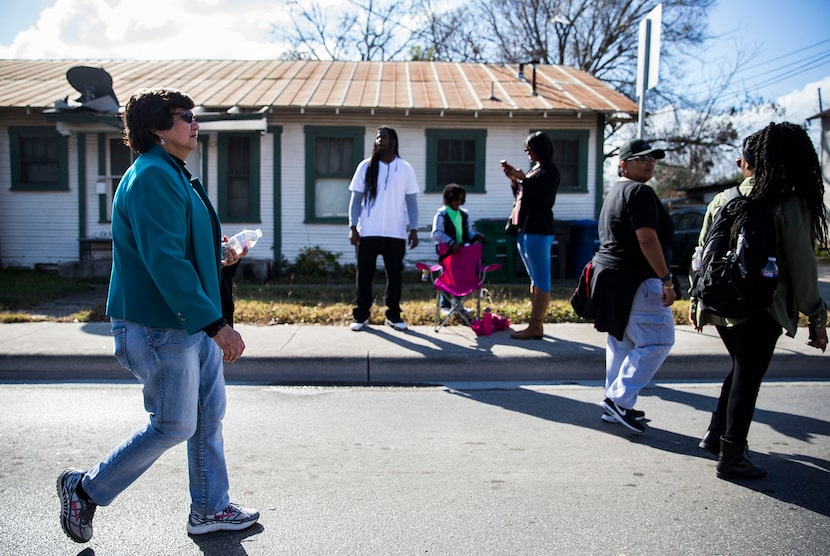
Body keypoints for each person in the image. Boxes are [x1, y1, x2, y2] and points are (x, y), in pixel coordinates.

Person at [57, 88, 259, 544]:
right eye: (185, 116)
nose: (195, 123)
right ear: (157, 129)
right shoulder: (150, 175)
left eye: (194, 114)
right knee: (174, 424)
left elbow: (177, 248)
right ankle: (85, 488)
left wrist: (220, 255)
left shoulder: (172, 172)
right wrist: (215, 325)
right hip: (158, 325)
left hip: (185, 321)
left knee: (208, 414)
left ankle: (210, 509)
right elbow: (163, 260)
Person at [690, 122, 828, 480]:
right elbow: (802, 266)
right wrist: (815, 315)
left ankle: (715, 435)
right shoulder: (790, 203)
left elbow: (701, 253)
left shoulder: (725, 197)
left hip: (719, 301)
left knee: (740, 369)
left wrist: (695, 300)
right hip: (762, 306)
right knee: (748, 378)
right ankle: (732, 456)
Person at [590, 138, 676, 433]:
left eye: (652, 158)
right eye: (641, 159)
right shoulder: (639, 192)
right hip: (637, 278)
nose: (649, 162)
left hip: (612, 278)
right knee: (658, 340)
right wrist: (666, 278)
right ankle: (619, 399)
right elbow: (647, 239)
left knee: (621, 342)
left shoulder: (616, 192)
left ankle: (613, 404)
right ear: (623, 164)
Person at [348, 126, 419, 331]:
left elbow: (411, 202)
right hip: (368, 231)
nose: (380, 140)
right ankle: (361, 315)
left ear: (393, 141)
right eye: (378, 137)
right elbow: (356, 200)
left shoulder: (405, 168)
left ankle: (393, 315)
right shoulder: (365, 167)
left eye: (384, 137)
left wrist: (413, 229)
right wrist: (353, 227)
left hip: (395, 232)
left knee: (395, 275)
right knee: (364, 276)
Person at [500, 131, 561, 339]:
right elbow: (523, 197)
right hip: (525, 228)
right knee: (534, 277)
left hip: (539, 229)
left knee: (542, 278)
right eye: (525, 150)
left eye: (530, 149)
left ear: (540, 149)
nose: (528, 153)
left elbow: (542, 200)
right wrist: (514, 180)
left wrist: (524, 179)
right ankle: (534, 322)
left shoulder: (550, 171)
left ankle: (536, 325)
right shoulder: (535, 170)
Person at [431, 183, 483, 315]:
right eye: (456, 199)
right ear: (449, 198)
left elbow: (467, 232)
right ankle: (445, 306)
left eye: (461, 200)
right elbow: (436, 233)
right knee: (447, 276)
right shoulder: (442, 215)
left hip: (462, 251)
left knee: (461, 276)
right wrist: (451, 242)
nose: (458, 202)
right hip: (448, 251)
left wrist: (475, 236)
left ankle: (458, 305)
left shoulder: (464, 215)